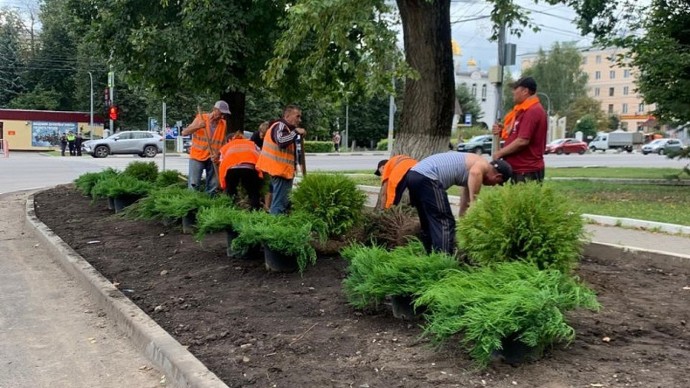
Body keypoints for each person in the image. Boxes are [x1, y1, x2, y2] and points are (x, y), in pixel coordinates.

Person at [405, 151, 512, 255]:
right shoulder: (482, 164)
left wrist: (463, 219)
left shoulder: (472, 167)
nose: (493, 186)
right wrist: (474, 203)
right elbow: (475, 173)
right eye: (497, 183)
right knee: (445, 222)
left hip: (414, 175)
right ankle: (443, 260)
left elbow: (466, 197)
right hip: (427, 177)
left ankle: (430, 255)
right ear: (497, 177)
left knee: (429, 220)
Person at [491, 76, 548, 183]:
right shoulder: (523, 111)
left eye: (516, 88)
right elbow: (515, 133)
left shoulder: (532, 111)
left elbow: (522, 140)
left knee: (524, 200)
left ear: (525, 91)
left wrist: (500, 153)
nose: (513, 92)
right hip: (518, 169)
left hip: (526, 170)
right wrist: (501, 131)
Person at [255, 105, 307, 215]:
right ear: (287, 115)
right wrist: (296, 132)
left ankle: (278, 225)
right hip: (279, 171)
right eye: (297, 116)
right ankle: (275, 228)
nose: (299, 120)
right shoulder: (280, 126)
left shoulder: (287, 129)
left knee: (283, 202)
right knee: (279, 203)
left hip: (284, 171)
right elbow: (281, 141)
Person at [181, 100, 230, 194]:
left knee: (213, 184)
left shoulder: (223, 124)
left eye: (224, 114)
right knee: (194, 183)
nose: (222, 116)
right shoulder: (201, 118)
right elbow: (184, 132)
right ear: (214, 110)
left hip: (213, 158)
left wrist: (218, 154)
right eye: (221, 113)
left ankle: (209, 203)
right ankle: (191, 202)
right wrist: (198, 126)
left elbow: (223, 143)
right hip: (197, 156)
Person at [218, 131, 263, 210]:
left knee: (231, 190)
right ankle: (255, 211)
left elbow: (222, 162)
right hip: (249, 168)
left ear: (229, 140)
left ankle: (230, 208)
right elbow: (261, 155)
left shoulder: (227, 146)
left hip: (232, 169)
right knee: (253, 191)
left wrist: (223, 183)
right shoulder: (251, 143)